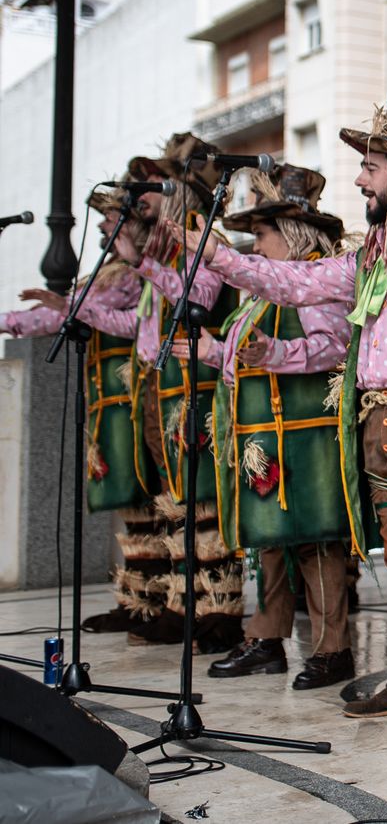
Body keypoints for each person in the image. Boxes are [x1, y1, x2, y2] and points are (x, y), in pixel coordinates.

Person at [180, 91, 387, 732]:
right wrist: (221, 257)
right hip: (381, 422)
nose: (360, 179)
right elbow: (296, 283)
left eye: (370, 166)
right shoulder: (371, 257)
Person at [74, 133, 245, 652]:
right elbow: (141, 323)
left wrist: (141, 261)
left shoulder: (205, 241)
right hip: (159, 386)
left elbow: (200, 296)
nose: (139, 198)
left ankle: (218, 613)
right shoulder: (165, 251)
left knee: (202, 501)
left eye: (152, 187)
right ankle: (182, 604)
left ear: (180, 193)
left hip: (195, 390)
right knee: (175, 503)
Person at [191, 165, 357, 690]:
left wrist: (274, 353)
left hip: (309, 438)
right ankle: (266, 640)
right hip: (265, 440)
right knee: (269, 541)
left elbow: (334, 348)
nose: (256, 246)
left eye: (262, 234)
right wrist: (214, 351)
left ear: (293, 233)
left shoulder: (318, 280)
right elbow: (250, 357)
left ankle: (333, 649)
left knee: (316, 542)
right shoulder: (262, 293)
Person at [3, 181, 149, 633]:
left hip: (131, 400)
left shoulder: (129, 276)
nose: (103, 227)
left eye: (110, 218)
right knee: (133, 506)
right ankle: (139, 599)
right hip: (113, 400)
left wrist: (20, 319)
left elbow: (75, 313)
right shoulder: (110, 272)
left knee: (144, 500)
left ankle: (153, 602)